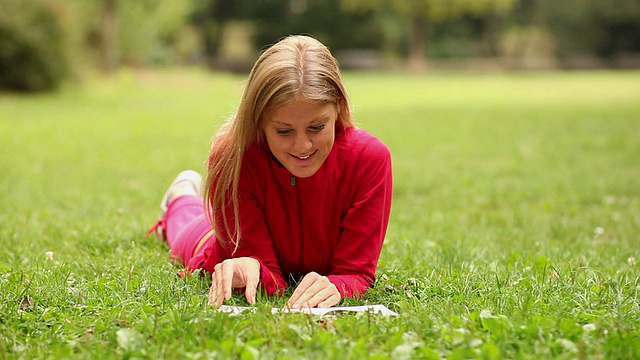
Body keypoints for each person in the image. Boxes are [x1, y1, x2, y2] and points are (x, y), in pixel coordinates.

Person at [149, 35, 392, 309]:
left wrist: (340, 283)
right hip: (211, 238)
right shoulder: (233, 156)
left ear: (339, 108)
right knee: (187, 227)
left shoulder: (370, 159)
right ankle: (180, 196)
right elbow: (262, 270)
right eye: (284, 131)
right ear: (259, 122)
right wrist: (251, 267)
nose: (302, 145)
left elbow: (356, 271)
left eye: (317, 127)